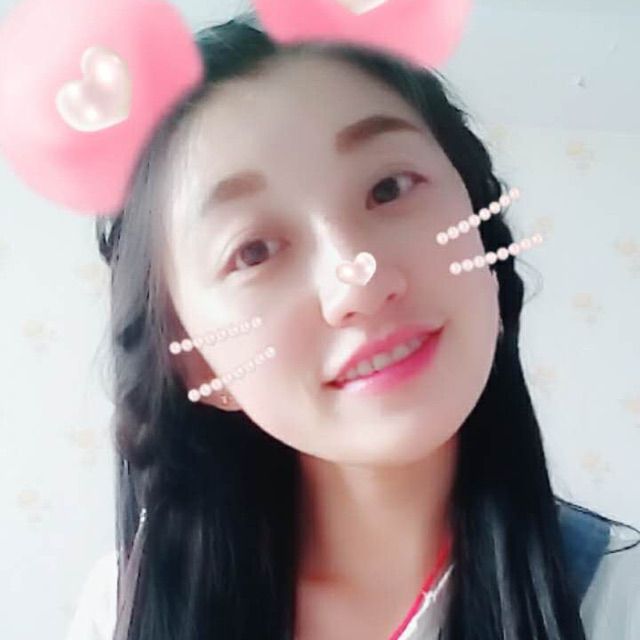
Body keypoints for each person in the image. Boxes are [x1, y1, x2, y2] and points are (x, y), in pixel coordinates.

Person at [53, 13, 638, 640]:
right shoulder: (121, 608)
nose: (358, 282)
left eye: (389, 188)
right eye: (253, 251)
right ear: (197, 363)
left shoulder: (620, 600)